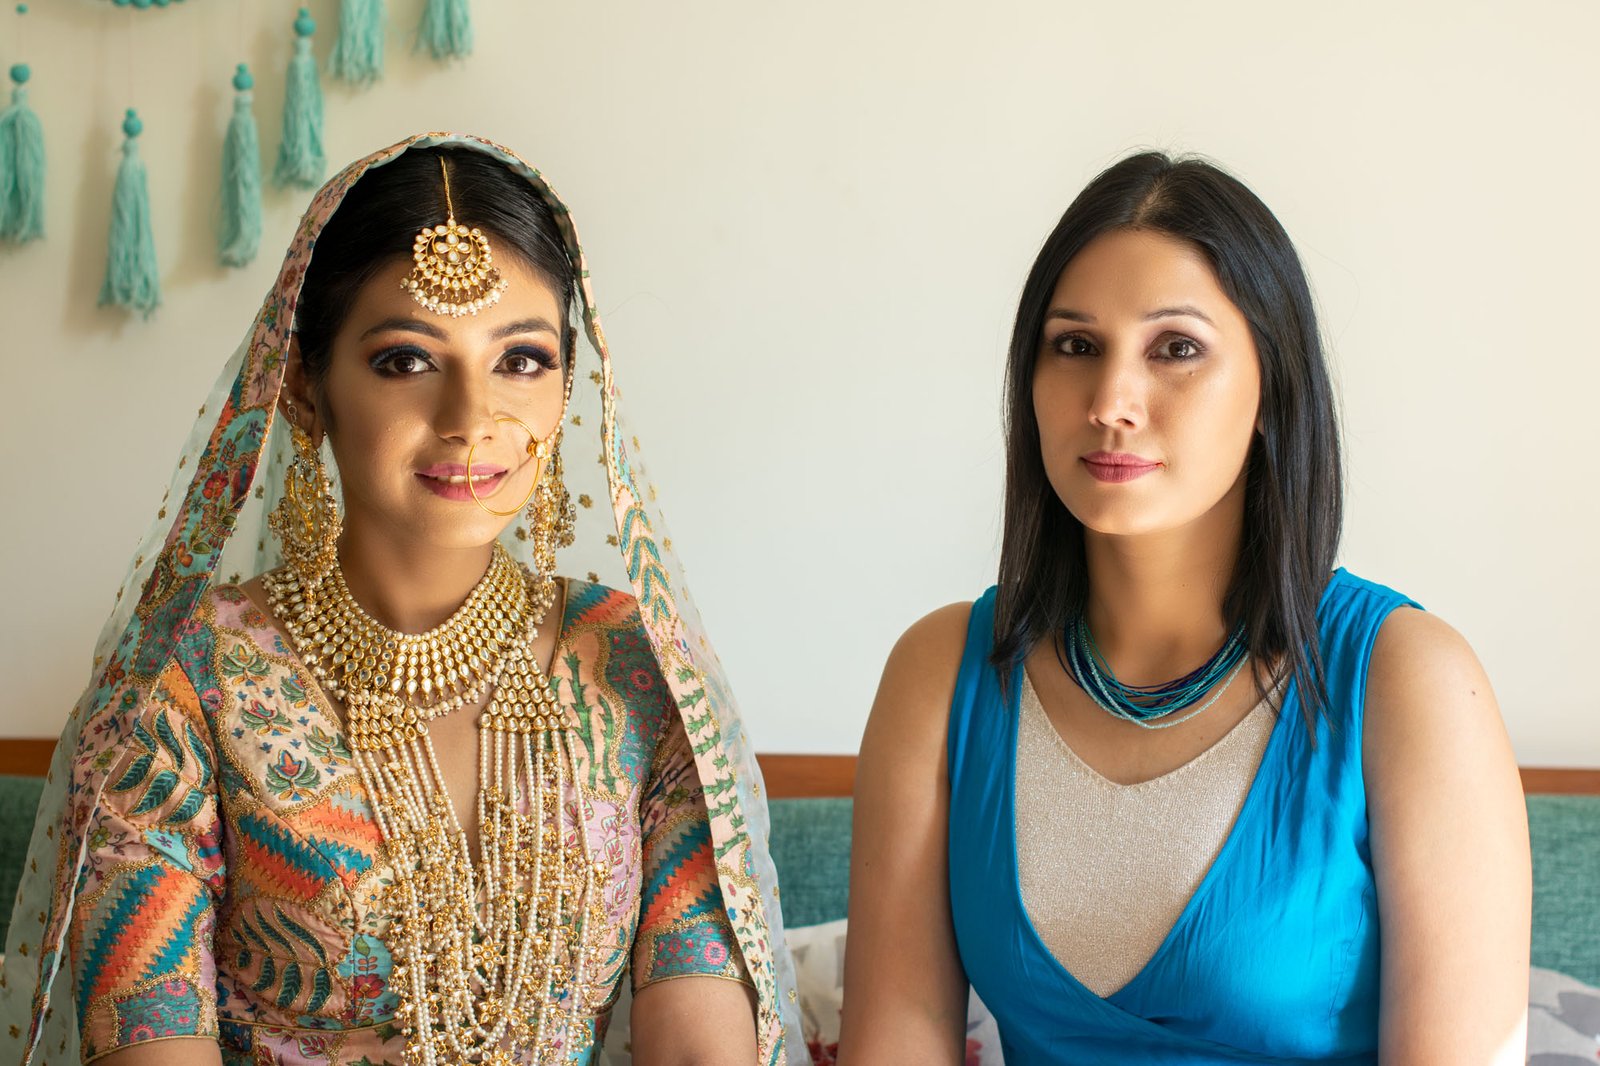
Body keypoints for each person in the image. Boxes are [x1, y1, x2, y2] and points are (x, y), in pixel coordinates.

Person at [0, 134, 808, 1066]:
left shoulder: (635, 666)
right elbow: (149, 1037)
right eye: (405, 361)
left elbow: (701, 1041)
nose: (472, 420)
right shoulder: (182, 685)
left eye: (521, 360)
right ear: (304, 389)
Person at [839, 152, 1531, 1064]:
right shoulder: (941, 674)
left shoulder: (1410, 680)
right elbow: (897, 1040)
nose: (1111, 402)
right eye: (1075, 346)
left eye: (1176, 349)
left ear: (1271, 387)